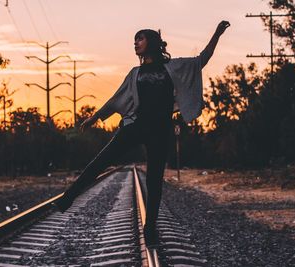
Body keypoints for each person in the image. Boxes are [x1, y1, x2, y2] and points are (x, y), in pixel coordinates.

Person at [54, 20, 230, 247]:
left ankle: (150, 230)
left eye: (140, 38)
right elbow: (117, 98)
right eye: (135, 39)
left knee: (155, 181)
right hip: (135, 126)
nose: (136, 43)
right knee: (101, 160)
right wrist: (96, 116)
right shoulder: (135, 73)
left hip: (160, 131)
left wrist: (217, 33)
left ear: (152, 43)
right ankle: (68, 198)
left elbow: (201, 60)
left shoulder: (172, 68)